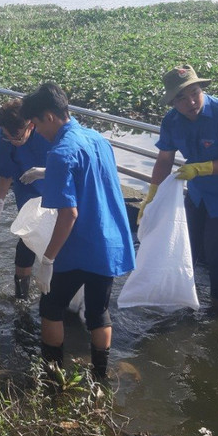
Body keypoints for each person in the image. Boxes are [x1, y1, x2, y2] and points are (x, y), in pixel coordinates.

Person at [20, 83, 135, 378]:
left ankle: (53, 376)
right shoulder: (97, 138)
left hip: (79, 245)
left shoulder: (59, 152)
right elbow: (90, 171)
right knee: (98, 310)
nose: (35, 131)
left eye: (34, 124)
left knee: (51, 305)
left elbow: (69, 214)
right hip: (108, 241)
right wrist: (46, 171)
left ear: (48, 116)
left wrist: (47, 260)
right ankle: (100, 376)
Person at [142, 65, 218, 312]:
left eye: (194, 92)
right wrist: (152, 194)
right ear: (172, 103)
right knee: (188, 243)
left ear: (202, 89)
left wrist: (199, 168)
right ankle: (184, 296)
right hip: (198, 189)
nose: (191, 101)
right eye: (181, 98)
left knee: (217, 250)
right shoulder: (172, 121)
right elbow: (164, 159)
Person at [0, 98, 53, 300]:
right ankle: (21, 296)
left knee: (58, 240)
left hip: (54, 191)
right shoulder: (4, 136)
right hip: (26, 192)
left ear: (31, 125)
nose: (13, 141)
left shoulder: (48, 133)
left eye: (16, 136)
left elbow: (70, 166)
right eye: (8, 137)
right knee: (26, 238)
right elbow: (6, 171)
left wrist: (45, 172)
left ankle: (55, 290)